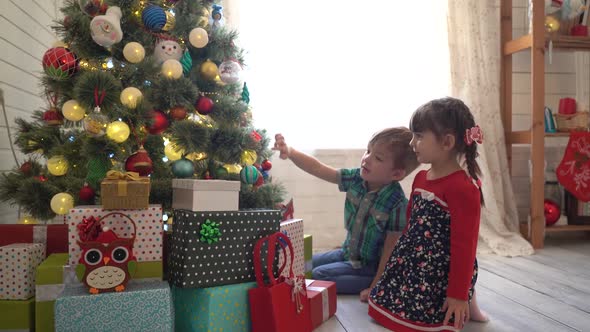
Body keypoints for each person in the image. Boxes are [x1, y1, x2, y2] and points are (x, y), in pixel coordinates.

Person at [368, 97, 484, 331]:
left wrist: (458, 295)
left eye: (419, 137)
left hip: (437, 269)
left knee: (423, 319)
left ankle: (468, 305)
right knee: (385, 307)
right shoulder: (421, 178)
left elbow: (465, 246)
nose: (413, 143)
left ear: (447, 142)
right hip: (412, 260)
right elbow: (413, 223)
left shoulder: (463, 188)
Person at [273, 127, 419, 299]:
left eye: (378, 158)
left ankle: (383, 282)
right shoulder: (356, 178)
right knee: (302, 265)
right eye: (368, 150)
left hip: (369, 267)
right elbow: (318, 169)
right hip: (347, 253)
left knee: (320, 274)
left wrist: (376, 287)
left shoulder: (397, 204)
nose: (367, 159)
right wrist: (290, 152)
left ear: (397, 173)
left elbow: (390, 250)